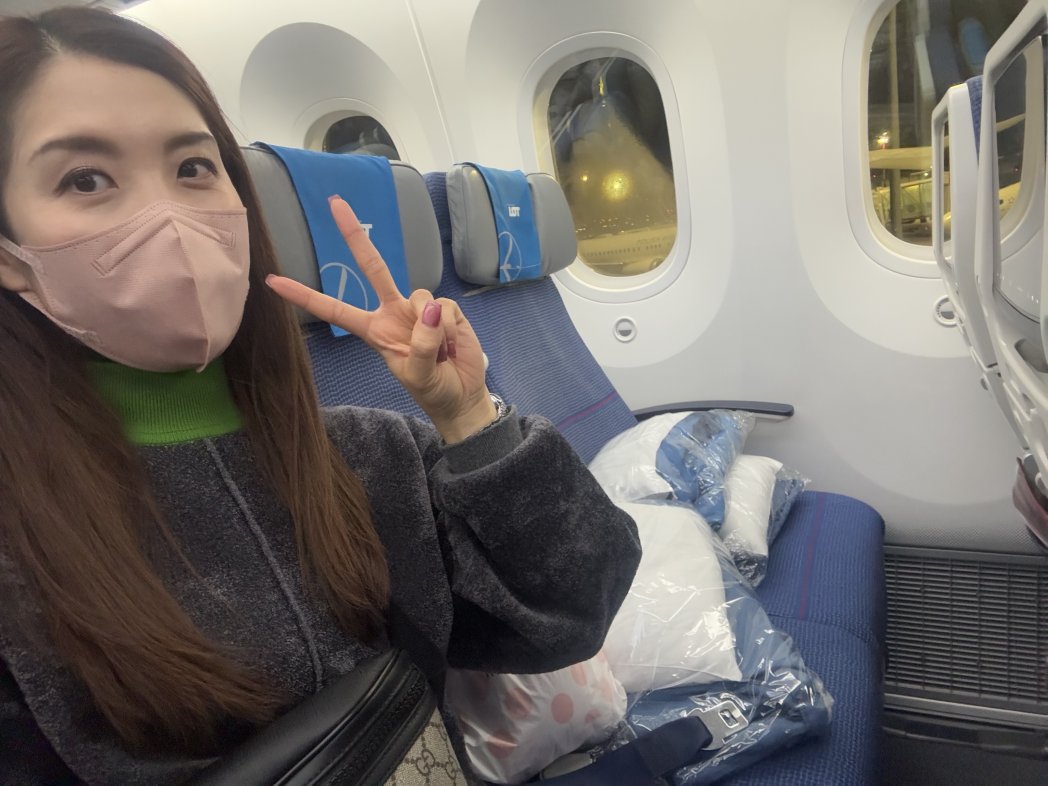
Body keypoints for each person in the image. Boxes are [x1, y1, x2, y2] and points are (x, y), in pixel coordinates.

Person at [0, 7, 641, 784]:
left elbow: (572, 616)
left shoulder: (374, 453)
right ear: (10, 254)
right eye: (86, 179)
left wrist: (470, 417)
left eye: (194, 168)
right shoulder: (20, 536)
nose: (167, 217)